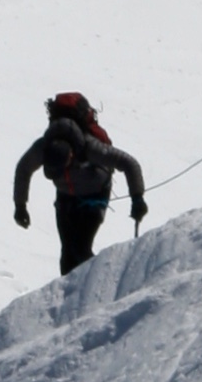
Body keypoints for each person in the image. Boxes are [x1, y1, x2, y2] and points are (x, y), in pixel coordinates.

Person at [13, 92, 146, 274]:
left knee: (80, 249)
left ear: (71, 156)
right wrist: (20, 206)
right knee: (67, 256)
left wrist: (137, 198)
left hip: (95, 194)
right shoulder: (42, 148)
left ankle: (105, 279)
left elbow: (129, 163)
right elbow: (23, 170)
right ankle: (73, 291)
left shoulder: (90, 148)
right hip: (66, 196)